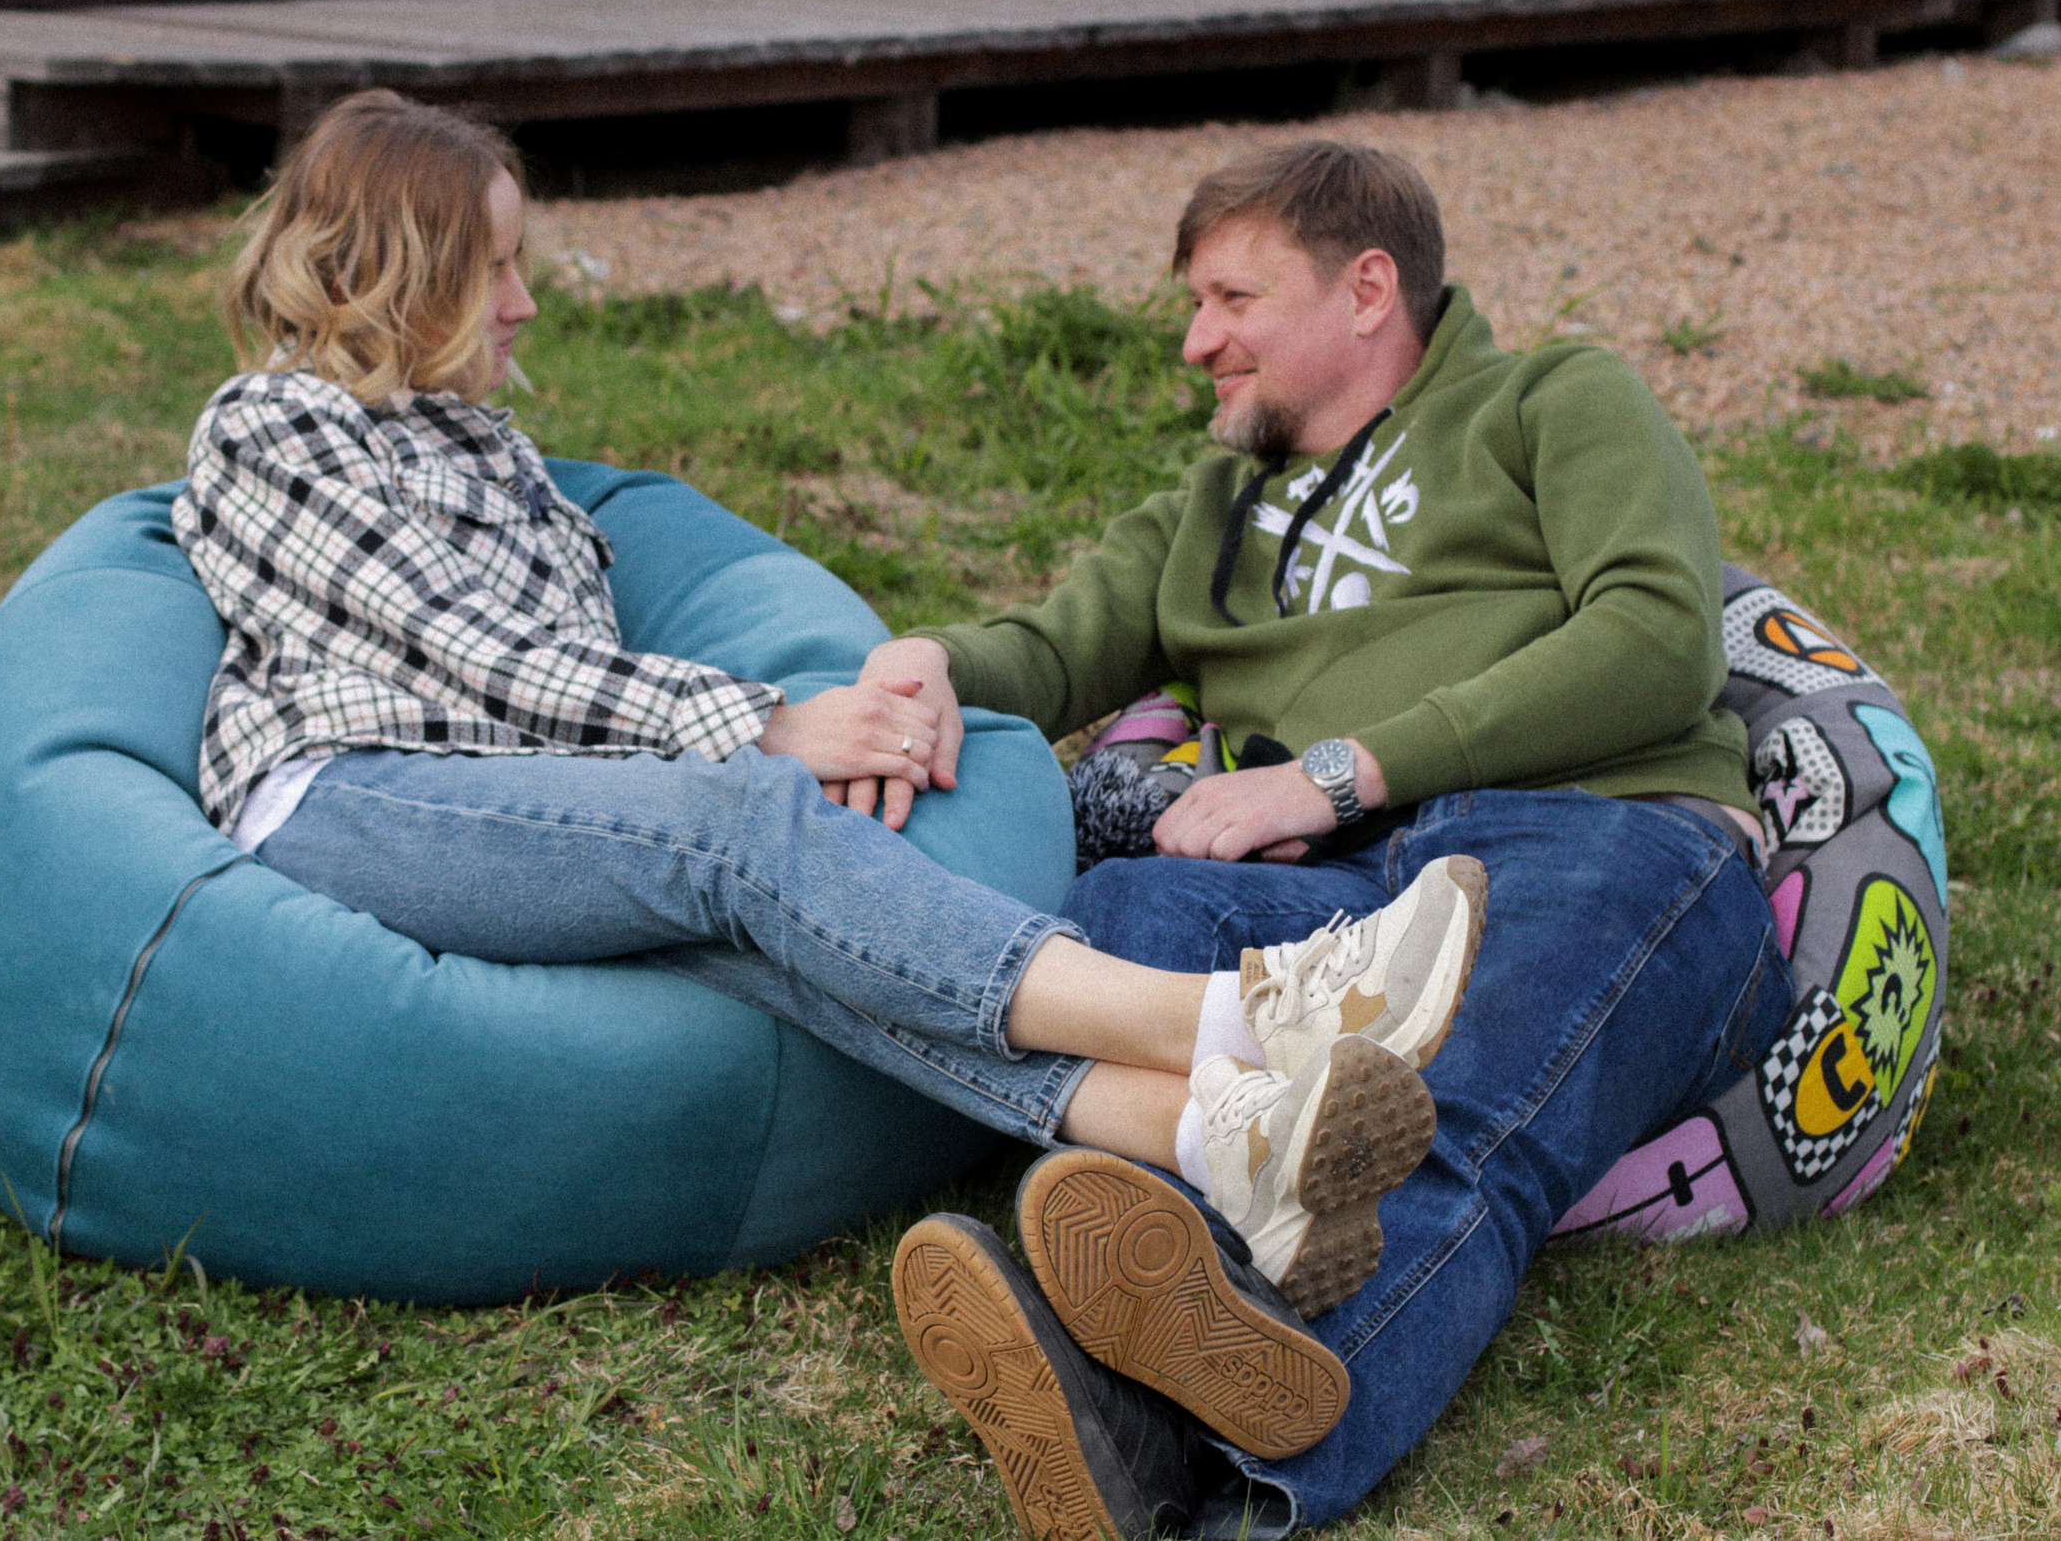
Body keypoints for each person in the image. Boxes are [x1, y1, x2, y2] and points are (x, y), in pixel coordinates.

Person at [169, 91, 1478, 1492]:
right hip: (353, 800)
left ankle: (1219, 1143)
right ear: (402, 272)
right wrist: (766, 722)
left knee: (798, 945)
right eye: (493, 268)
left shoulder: (491, 450)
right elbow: (477, 659)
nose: (525, 302)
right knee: (748, 823)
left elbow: (559, 697)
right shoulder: (274, 425)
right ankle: (1249, 1018)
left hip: (526, 807)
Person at [871, 139, 1796, 1537]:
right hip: (1330, 900)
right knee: (1118, 929)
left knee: (1438, 1101)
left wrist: (1338, 775)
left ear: (1368, 289)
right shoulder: (1211, 509)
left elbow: (1660, 638)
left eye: (1233, 299)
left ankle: (1212, 1466)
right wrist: (927, 663)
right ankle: (1146, 1377)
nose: (1197, 342)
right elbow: (1052, 651)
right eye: (1195, 306)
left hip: (1595, 834)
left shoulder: (1554, 399)